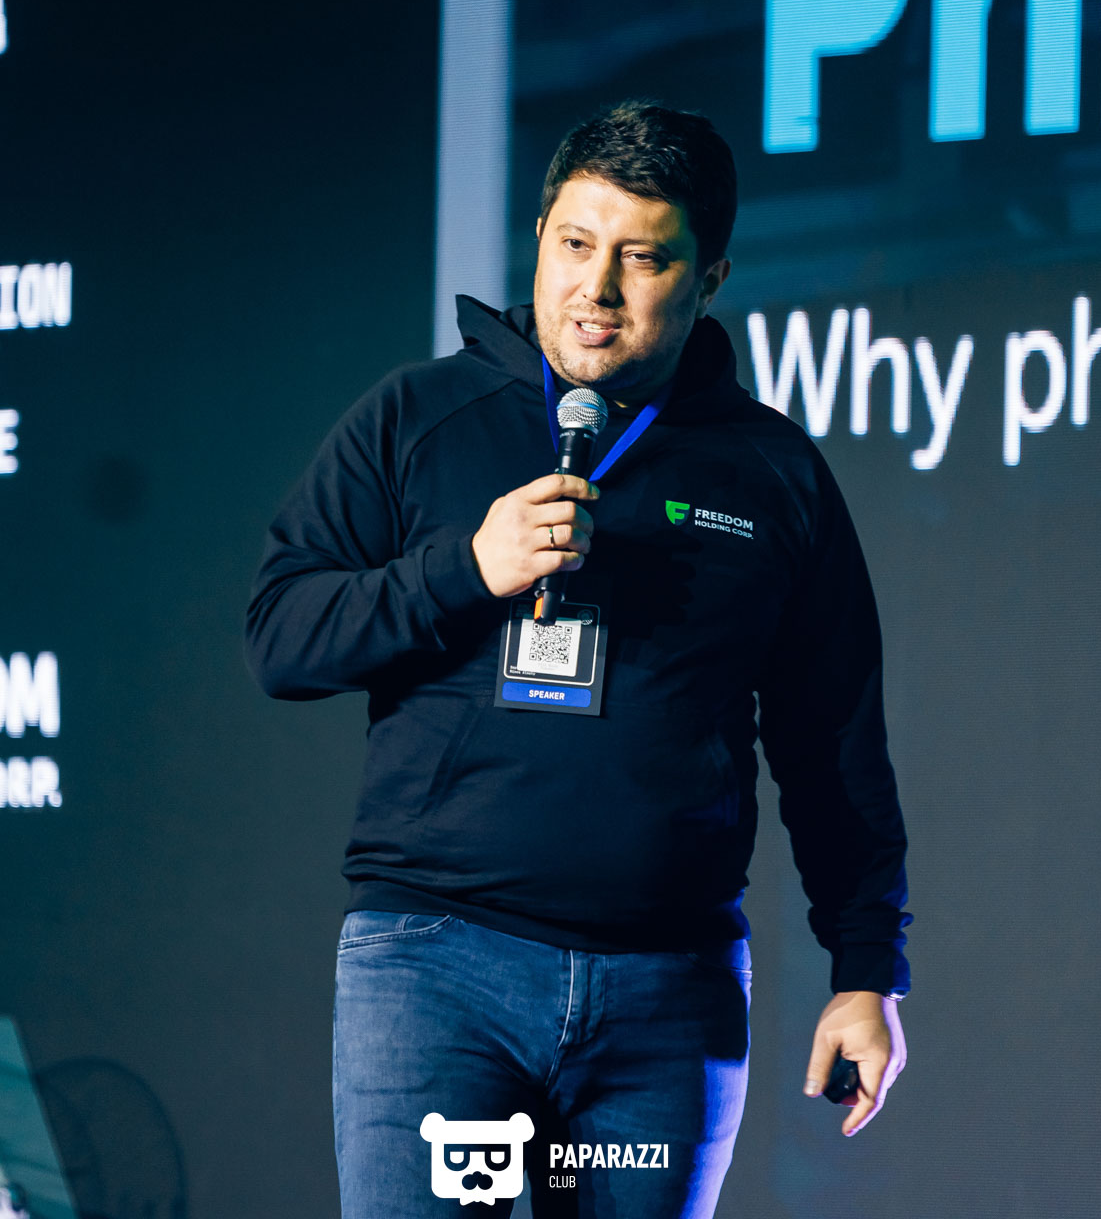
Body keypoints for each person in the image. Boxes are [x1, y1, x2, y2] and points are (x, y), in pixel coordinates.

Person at [246, 101, 911, 1218]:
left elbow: (832, 737)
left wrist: (865, 971)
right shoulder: (419, 417)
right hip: (438, 971)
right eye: (575, 243)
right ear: (542, 236)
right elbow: (282, 635)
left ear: (710, 278)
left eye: (643, 258)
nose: (596, 289)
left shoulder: (774, 472)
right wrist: (466, 567)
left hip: (668, 997)